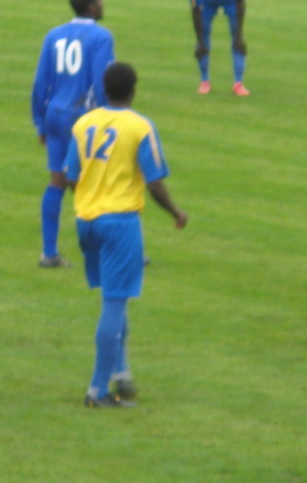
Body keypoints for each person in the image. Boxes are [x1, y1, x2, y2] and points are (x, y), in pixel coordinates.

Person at [63, 62, 187, 407]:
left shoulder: (83, 123)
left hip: (86, 219)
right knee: (114, 303)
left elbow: (71, 175)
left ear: (104, 88)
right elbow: (154, 182)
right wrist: (176, 212)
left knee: (114, 298)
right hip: (119, 223)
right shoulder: (139, 126)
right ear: (133, 89)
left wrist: (89, 200)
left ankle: (122, 373)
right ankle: (98, 390)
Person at [31, 0, 115, 268]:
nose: (103, 4)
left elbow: (41, 83)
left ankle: (49, 253)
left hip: (55, 114)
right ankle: (114, 249)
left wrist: (39, 122)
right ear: (92, 7)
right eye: (100, 1)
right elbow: (102, 81)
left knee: (57, 180)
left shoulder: (53, 35)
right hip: (84, 117)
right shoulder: (102, 37)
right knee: (99, 183)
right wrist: (108, 118)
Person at [187, 0, 249, 96]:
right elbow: (195, 11)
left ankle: (238, 84)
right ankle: (204, 82)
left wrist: (239, 35)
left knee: (237, 39)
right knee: (204, 34)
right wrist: (200, 41)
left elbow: (240, 3)